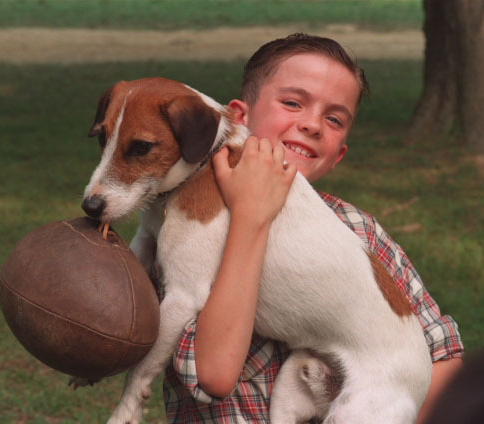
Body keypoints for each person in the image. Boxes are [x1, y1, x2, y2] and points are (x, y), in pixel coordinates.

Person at [162, 33, 464, 423]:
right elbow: (215, 375)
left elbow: (444, 361)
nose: (312, 125)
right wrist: (251, 215)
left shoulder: (360, 231)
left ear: (337, 155)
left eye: (334, 119)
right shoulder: (184, 232)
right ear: (238, 117)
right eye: (292, 103)